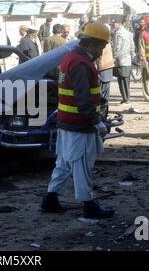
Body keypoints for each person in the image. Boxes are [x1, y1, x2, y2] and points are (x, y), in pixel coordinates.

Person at [41, 22, 114, 219]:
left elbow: (76, 92)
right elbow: (83, 98)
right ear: (91, 44)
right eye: (100, 47)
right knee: (82, 165)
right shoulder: (81, 63)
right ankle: (89, 204)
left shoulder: (69, 58)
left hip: (67, 122)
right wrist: (96, 121)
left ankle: (50, 199)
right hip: (79, 124)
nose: (101, 52)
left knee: (64, 162)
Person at [111, 18, 135, 105]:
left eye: (114, 24)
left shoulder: (118, 33)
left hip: (120, 60)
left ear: (119, 23)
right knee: (126, 80)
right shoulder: (129, 33)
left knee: (121, 80)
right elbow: (132, 45)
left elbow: (117, 46)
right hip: (127, 60)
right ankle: (126, 98)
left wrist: (114, 57)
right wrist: (132, 55)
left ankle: (126, 99)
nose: (113, 25)